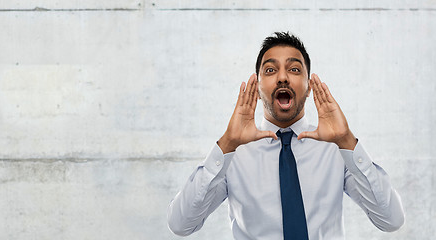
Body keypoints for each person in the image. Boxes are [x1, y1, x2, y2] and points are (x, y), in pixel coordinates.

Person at [167, 32, 405, 240]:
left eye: (294, 69)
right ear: (258, 88)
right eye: (270, 70)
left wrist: (346, 141)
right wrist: (227, 144)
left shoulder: (336, 149)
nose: (282, 77)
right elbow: (181, 225)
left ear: (309, 86)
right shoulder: (232, 155)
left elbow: (391, 220)